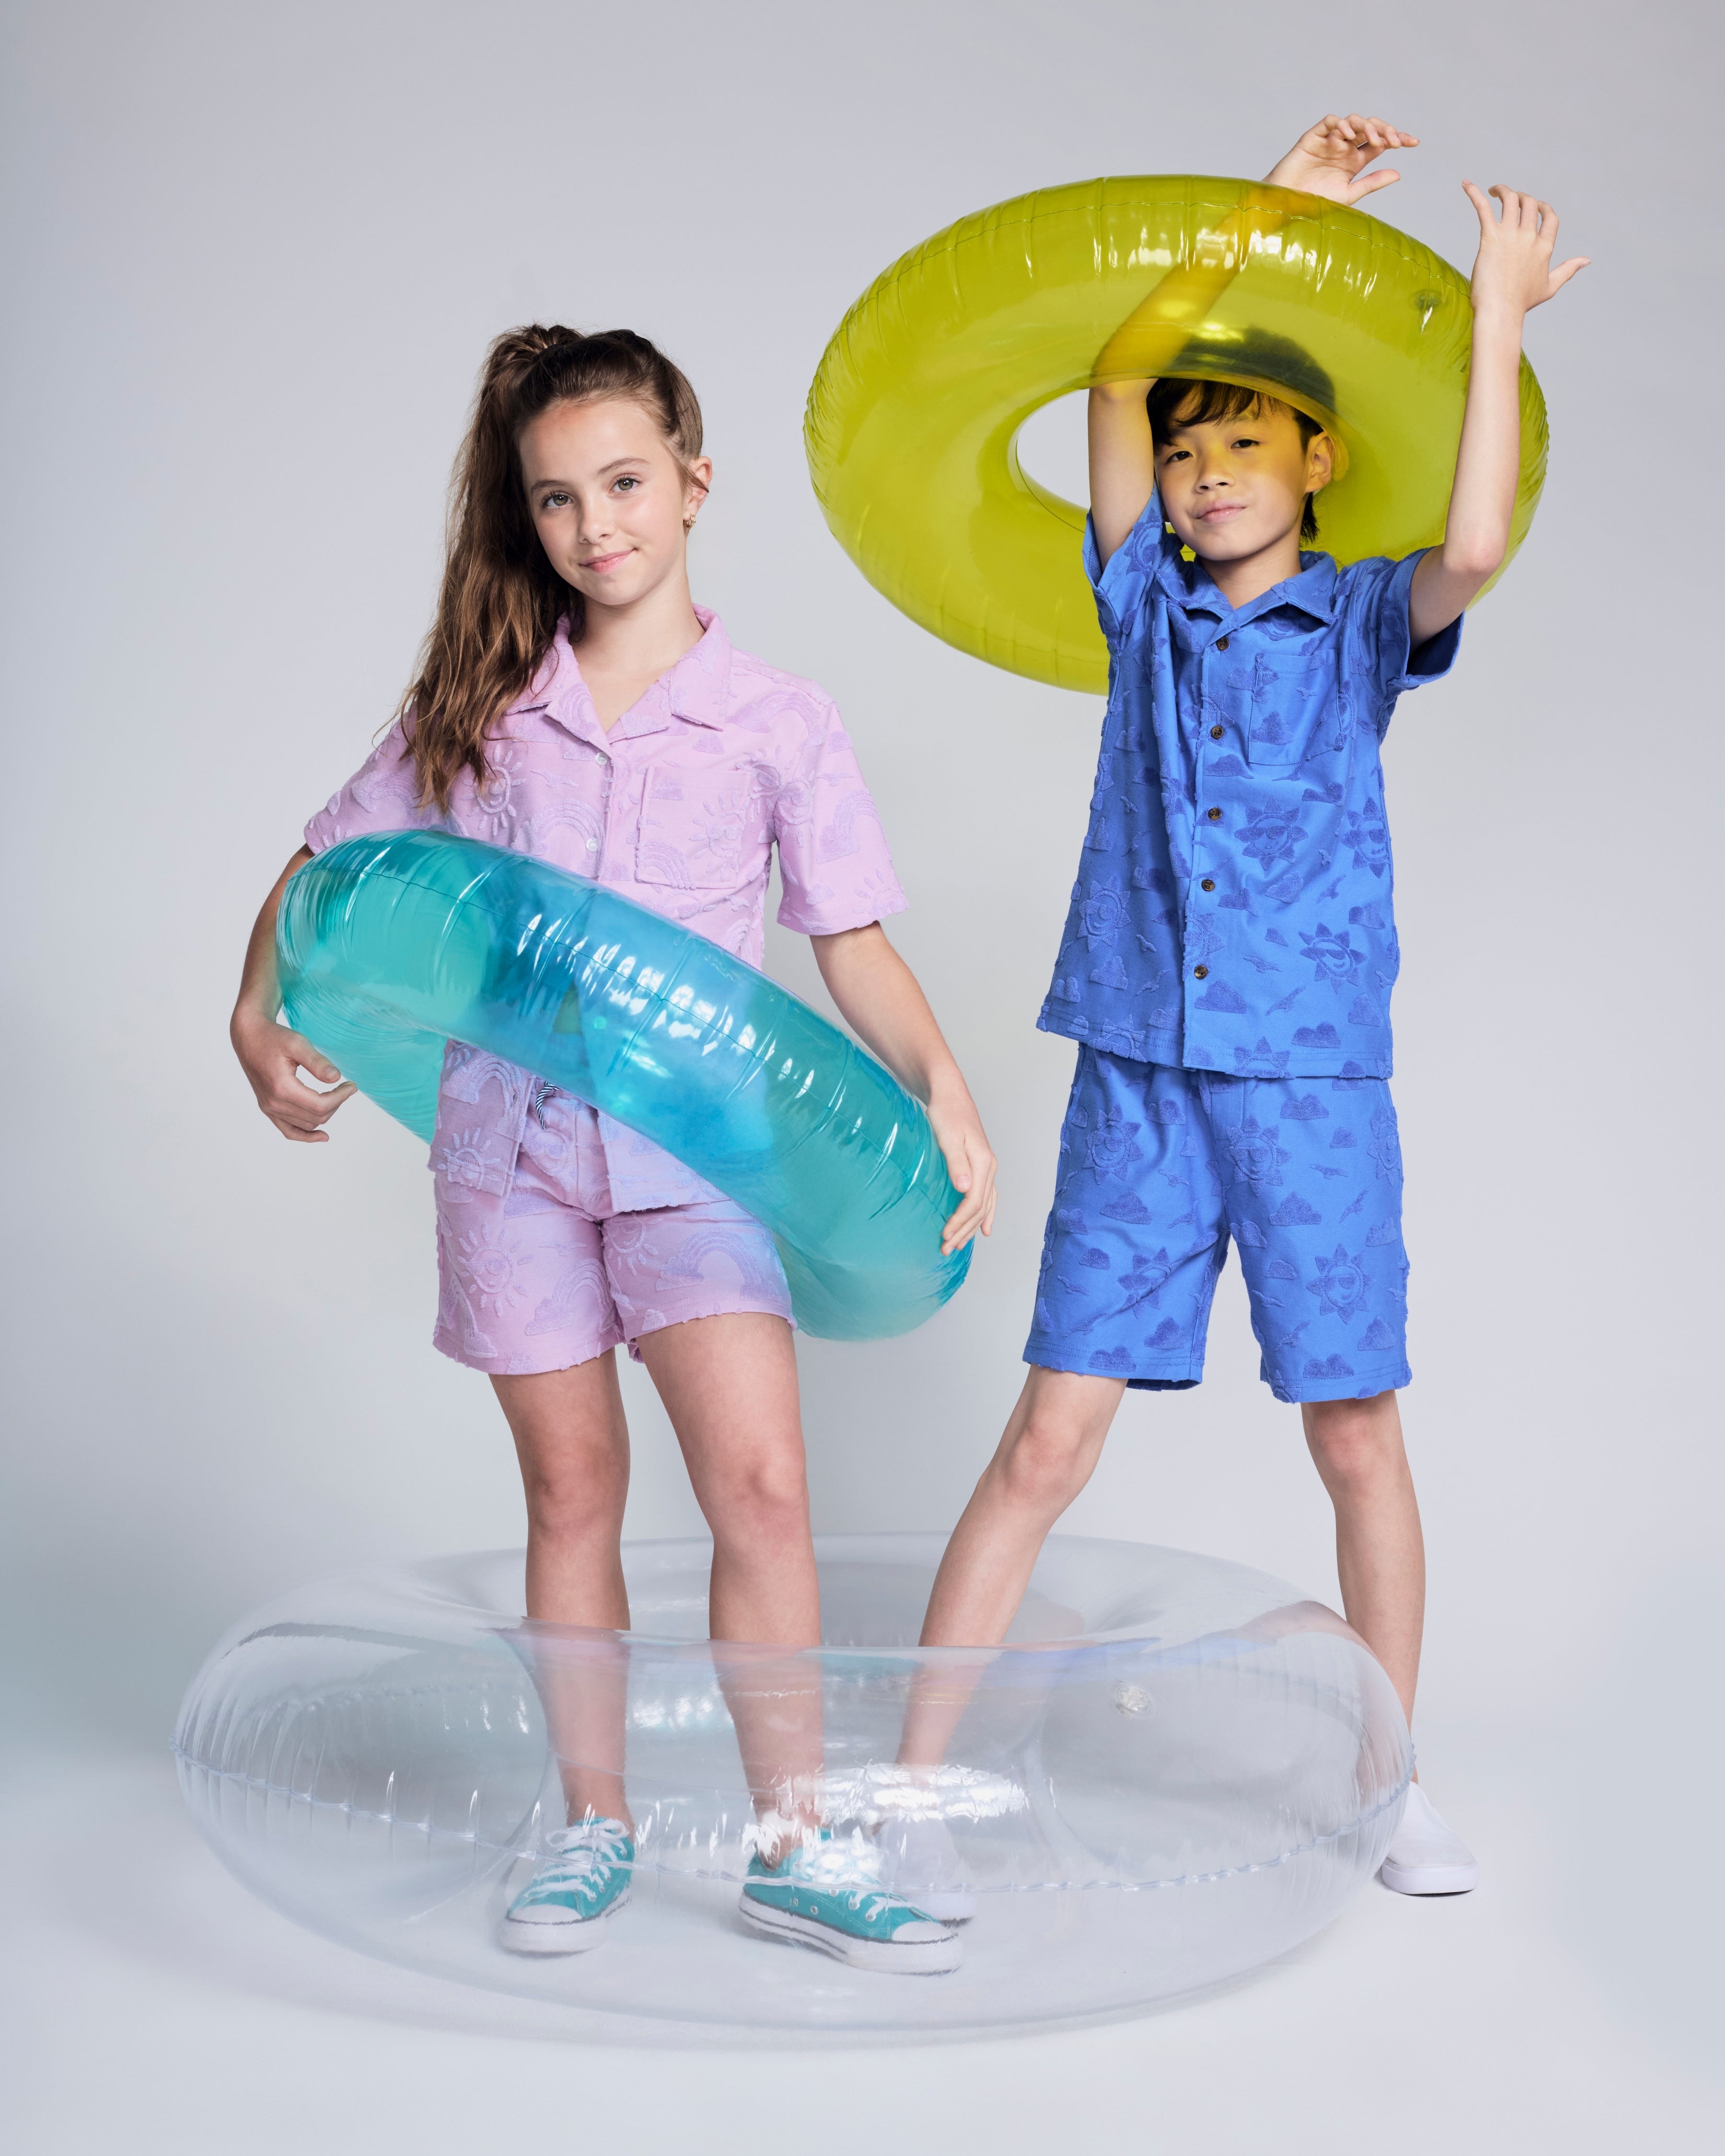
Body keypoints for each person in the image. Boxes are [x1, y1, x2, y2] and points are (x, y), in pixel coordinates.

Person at [230, 326, 996, 1974]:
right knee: (572, 1489)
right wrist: (253, 1001)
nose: (598, 525)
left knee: (765, 1491)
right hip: (508, 1159)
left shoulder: (777, 721)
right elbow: (333, 855)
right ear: (532, 515)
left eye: (628, 483)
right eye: (560, 498)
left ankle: (795, 1840)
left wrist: (943, 1084)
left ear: (697, 482)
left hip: (695, 1164)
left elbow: (850, 941)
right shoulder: (488, 704)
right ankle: (591, 1818)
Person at [899, 114, 1587, 1902]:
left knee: (1354, 1427)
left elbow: (1483, 542)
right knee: (1049, 1433)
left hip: (1306, 1084)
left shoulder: (1363, 622)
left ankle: (1391, 1780)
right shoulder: (1140, 601)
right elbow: (1118, 377)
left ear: (1318, 461)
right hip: (1138, 1070)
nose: (1204, 474)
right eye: (1191, 452)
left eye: (1243, 445)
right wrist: (1265, 221)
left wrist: (1496, 313)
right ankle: (907, 1779)